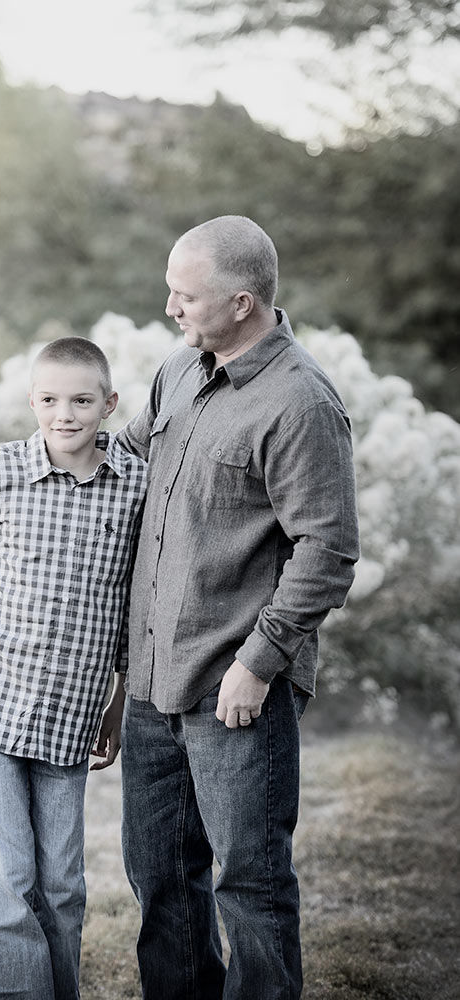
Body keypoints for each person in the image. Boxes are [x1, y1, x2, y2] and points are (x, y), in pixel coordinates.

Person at [118, 216, 360, 1000]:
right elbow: (123, 465)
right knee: (160, 883)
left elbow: (325, 552)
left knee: (250, 891)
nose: (169, 307)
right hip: (154, 682)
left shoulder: (299, 402)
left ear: (243, 302)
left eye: (185, 296)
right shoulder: (176, 374)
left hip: (233, 692)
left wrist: (258, 664)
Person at [0, 337, 147, 1000]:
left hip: (70, 718)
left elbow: (129, 606)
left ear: (109, 404)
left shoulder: (132, 489)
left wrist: (118, 706)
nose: (63, 413)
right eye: (47, 399)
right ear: (30, 400)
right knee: (7, 880)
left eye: (80, 400)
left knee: (62, 886)